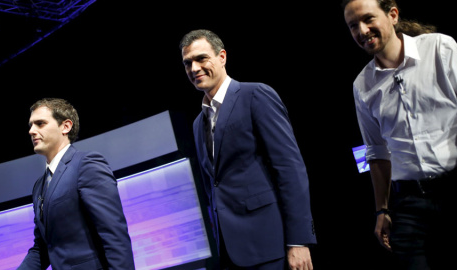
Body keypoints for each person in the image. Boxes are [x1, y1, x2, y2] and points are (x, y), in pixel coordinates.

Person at [179, 29, 316, 270]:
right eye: (188, 63)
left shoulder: (255, 95)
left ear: (222, 57)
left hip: (271, 244)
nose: (194, 68)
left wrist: (299, 240)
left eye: (202, 59)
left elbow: (290, 169)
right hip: (230, 251)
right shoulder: (197, 123)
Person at [343, 0, 457, 269]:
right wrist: (381, 210)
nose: (361, 30)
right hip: (409, 203)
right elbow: (376, 152)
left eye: (368, 19)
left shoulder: (441, 48)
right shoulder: (362, 85)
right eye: (352, 26)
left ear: (392, 15)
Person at [18, 98, 135, 270]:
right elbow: (42, 248)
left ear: (65, 126)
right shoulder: (39, 186)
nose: (31, 131)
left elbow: (114, 235)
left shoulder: (86, 164)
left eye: (40, 123)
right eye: (31, 125)